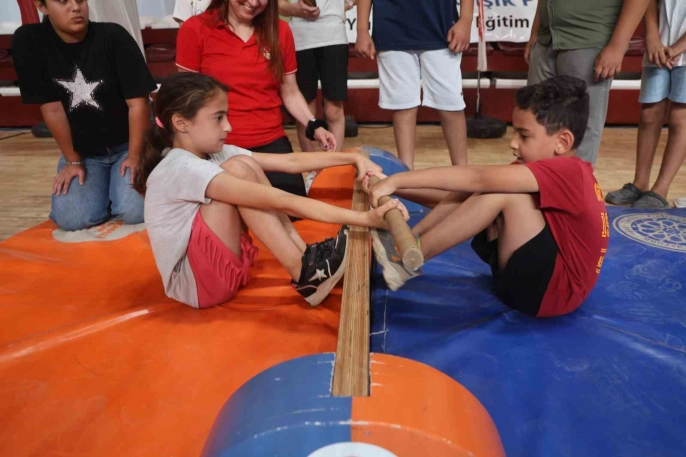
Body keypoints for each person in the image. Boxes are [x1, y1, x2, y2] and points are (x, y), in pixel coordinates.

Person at [135, 72, 407, 309]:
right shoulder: (180, 167)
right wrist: (364, 219)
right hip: (197, 286)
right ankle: (304, 273)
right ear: (181, 123)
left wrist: (353, 157)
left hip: (217, 272)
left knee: (242, 165)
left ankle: (305, 259)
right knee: (239, 171)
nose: (228, 126)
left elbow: (289, 162)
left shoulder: (212, 153)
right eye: (218, 118)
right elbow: (279, 200)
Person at [365, 76, 610, 318]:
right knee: (484, 187)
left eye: (524, 135)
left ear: (562, 142)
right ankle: (411, 248)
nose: (513, 143)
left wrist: (398, 180)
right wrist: (393, 187)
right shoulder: (541, 170)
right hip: (528, 284)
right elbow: (460, 195)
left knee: (497, 189)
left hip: (553, 295)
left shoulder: (571, 172)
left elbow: (478, 178)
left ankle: (408, 260)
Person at [12, 0, 156, 232]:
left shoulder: (114, 36)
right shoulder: (29, 41)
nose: (75, 7)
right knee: (72, 219)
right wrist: (73, 161)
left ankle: (118, 187)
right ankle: (107, 190)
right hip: (85, 153)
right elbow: (52, 109)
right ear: (42, 7)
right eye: (63, 1)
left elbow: (138, 103)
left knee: (134, 211)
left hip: (128, 146)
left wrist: (136, 155)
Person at [176, 0, 337, 198]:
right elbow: (186, 97)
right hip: (218, 146)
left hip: (270, 142)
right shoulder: (195, 29)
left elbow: (290, 91)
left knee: (291, 207)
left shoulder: (280, 31)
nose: (253, 2)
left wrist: (315, 125)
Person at [524, 0, 651, 165]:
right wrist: (535, 32)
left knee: (582, 128)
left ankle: (575, 181)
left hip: (589, 38)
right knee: (535, 120)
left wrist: (617, 46)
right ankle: (536, 179)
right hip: (546, 38)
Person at [355, 0, 473, 170]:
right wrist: (362, 30)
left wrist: (466, 19)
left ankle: (462, 174)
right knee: (403, 106)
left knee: (451, 104)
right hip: (391, 28)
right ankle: (406, 174)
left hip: (441, 28)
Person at [606, 0, 686, 209]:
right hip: (659, 44)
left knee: (680, 117)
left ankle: (660, 189)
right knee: (650, 113)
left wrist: (678, 47)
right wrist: (652, 36)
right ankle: (640, 183)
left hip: (679, 47)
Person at [278, 0, 356, 153]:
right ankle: (311, 164)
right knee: (305, 109)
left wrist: (348, 4)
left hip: (334, 34)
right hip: (299, 38)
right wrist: (294, 9)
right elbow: (278, 5)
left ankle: (335, 164)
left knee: (333, 110)